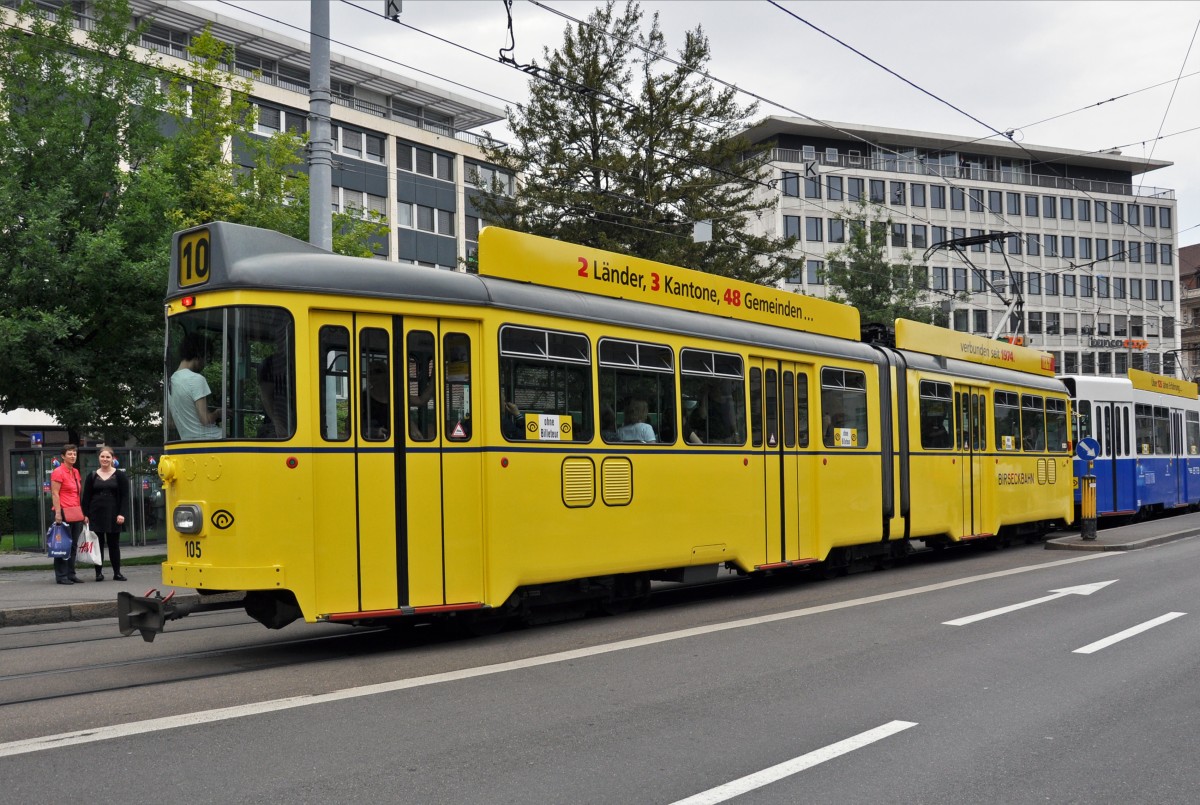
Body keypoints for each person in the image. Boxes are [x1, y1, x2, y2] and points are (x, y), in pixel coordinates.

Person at [81, 445, 130, 582]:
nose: (105, 459)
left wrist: (122, 514)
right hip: (95, 514)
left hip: (114, 514)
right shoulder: (92, 476)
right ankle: (98, 573)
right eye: (102, 456)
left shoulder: (119, 475)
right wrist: (85, 514)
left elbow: (125, 497)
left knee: (114, 544)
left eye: (108, 457)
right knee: (98, 544)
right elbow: (86, 497)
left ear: (112, 458)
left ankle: (117, 573)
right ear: (99, 458)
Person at [168, 332, 223, 440]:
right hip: (213, 439)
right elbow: (205, 420)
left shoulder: (171, 381)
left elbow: (170, 423)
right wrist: (217, 413)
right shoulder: (197, 379)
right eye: (206, 358)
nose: (205, 363)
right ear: (199, 354)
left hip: (188, 442)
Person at [49, 444, 85, 584]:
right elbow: (55, 493)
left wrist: (82, 513)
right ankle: (61, 575)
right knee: (62, 545)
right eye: (69, 454)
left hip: (75, 512)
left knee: (73, 545)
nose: (73, 456)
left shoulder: (75, 472)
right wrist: (58, 513)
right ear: (63, 456)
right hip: (63, 511)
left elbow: (77, 494)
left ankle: (71, 574)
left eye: (74, 454)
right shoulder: (58, 472)